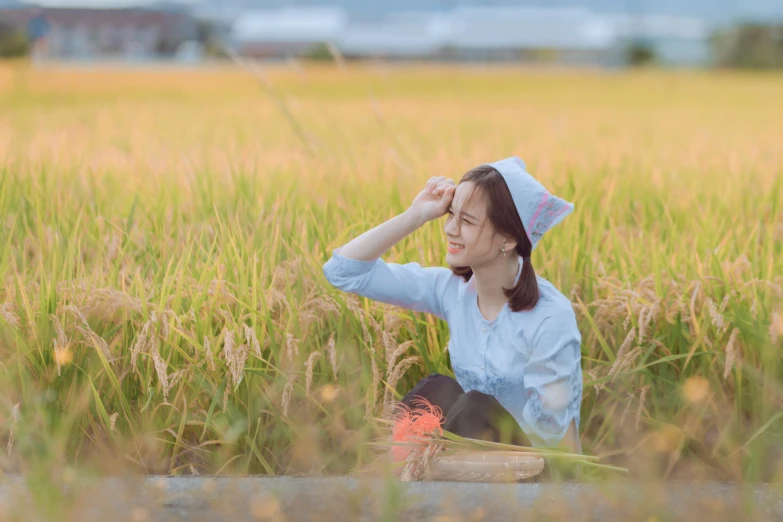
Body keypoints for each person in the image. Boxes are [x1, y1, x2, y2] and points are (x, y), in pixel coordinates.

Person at [322, 156, 582, 455]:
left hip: (538, 473)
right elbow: (343, 271)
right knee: (435, 391)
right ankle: (403, 482)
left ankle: (428, 482)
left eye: (467, 221)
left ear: (509, 239)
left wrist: (448, 446)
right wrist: (416, 215)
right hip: (470, 452)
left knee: (474, 405)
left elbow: (549, 433)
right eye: (451, 215)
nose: (450, 230)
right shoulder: (451, 292)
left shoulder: (550, 317)